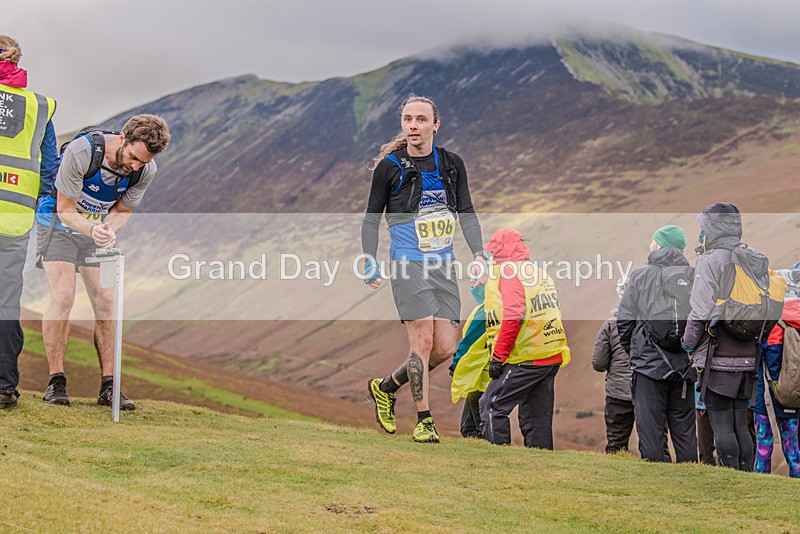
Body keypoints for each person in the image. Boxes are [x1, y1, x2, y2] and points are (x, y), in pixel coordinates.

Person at [362, 94, 486, 443]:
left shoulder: (451, 163)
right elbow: (371, 218)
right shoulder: (391, 167)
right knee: (422, 341)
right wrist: (369, 258)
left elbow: (466, 211)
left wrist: (479, 253)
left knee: (445, 347)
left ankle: (386, 387)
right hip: (407, 264)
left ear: (435, 124)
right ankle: (424, 420)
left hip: (443, 265)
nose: (413, 125)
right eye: (407, 119)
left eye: (420, 119)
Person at [35, 114, 170, 409]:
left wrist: (108, 231)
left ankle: (110, 386)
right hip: (58, 223)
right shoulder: (82, 152)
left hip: (96, 230)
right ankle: (56, 382)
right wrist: (93, 229)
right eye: (133, 157)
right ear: (123, 138)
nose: (134, 166)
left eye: (142, 162)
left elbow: (123, 210)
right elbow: (65, 209)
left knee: (107, 300)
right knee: (64, 294)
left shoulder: (145, 170)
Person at [681, 202, 772, 471]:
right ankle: (746, 475)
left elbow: (700, 310)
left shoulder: (710, 261)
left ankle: (730, 475)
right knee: (741, 422)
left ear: (711, 229)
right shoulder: (751, 258)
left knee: (721, 423)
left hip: (717, 356)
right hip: (748, 356)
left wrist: (687, 343)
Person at [0, 36, 57, 408]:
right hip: (15, 218)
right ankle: (4, 387)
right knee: (5, 301)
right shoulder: (39, 105)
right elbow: (50, 168)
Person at [479, 228, 570, 449]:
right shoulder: (537, 272)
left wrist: (498, 357)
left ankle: (496, 464)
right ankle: (541, 470)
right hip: (551, 353)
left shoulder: (508, 272)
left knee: (491, 405)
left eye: (493, 252)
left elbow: (513, 315)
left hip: (525, 356)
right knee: (537, 418)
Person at [618, 225, 698, 463]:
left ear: (660, 245)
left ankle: (655, 477)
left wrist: (635, 352)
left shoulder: (641, 275)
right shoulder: (693, 275)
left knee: (650, 428)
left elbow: (624, 321)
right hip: (685, 365)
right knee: (685, 430)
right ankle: (691, 476)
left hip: (648, 366)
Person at [751, 290, 800, 478]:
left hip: (766, 396)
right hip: (794, 394)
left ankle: (760, 483)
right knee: (793, 446)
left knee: (764, 443)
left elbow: (760, 359)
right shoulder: (796, 324)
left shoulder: (773, 325)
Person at [591, 277, 635, 454]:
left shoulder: (610, 324)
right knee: (654, 439)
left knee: (616, 442)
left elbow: (599, 363)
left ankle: (614, 474)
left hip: (618, 392)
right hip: (650, 390)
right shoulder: (654, 322)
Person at [449, 285, 488, 438]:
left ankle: (489, 456)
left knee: (476, 428)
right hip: (483, 371)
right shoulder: (490, 306)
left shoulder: (486, 311)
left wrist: (456, 363)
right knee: (469, 427)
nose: (472, 282)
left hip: (479, 373)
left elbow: (468, 340)